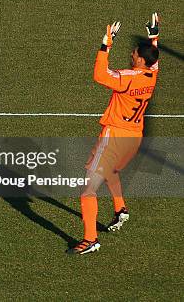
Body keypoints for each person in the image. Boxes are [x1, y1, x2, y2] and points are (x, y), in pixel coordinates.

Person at [67, 13, 160, 255]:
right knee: (112, 171)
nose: (131, 55)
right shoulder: (152, 74)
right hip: (134, 137)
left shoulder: (128, 78)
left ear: (140, 61)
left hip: (115, 136)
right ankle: (120, 209)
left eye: (135, 54)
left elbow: (100, 75)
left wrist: (105, 44)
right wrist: (154, 37)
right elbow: (155, 59)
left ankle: (90, 239)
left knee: (88, 189)